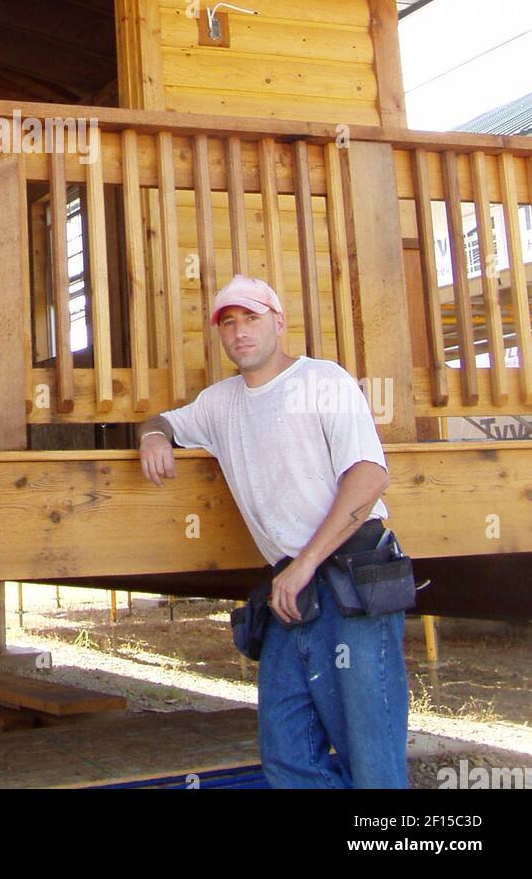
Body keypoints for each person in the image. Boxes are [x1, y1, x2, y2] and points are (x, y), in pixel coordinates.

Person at [138, 274, 409, 789]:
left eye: (252, 318)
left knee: (370, 755)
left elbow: (370, 476)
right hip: (291, 591)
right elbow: (163, 420)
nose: (240, 332)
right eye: (229, 323)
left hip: (350, 578)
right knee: (287, 754)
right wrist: (155, 436)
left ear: (279, 322)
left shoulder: (322, 381)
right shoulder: (219, 404)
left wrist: (305, 564)